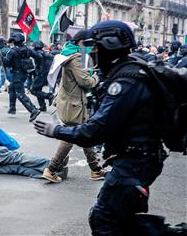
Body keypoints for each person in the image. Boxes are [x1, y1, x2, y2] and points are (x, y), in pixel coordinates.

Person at [34, 20, 186, 235]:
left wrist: (56, 131)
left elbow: (95, 131)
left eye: (95, 47)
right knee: (120, 222)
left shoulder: (126, 80)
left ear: (110, 45)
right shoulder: (127, 70)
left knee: (105, 221)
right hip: (137, 160)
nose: (92, 53)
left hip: (134, 163)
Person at [41, 30, 106, 183]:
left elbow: (88, 69)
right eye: (88, 43)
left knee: (84, 135)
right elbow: (86, 81)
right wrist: (98, 77)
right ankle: (51, 169)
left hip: (74, 103)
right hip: (73, 104)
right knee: (72, 137)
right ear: (81, 42)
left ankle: (96, 170)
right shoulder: (75, 58)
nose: (91, 46)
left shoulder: (76, 53)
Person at [3, 32, 41, 122]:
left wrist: (1, 57)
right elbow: (38, 56)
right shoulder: (27, 49)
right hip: (24, 73)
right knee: (12, 88)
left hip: (17, 74)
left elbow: (6, 62)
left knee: (20, 94)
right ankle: (12, 108)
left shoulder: (12, 51)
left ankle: (33, 110)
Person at [30, 40, 54, 112]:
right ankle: (42, 106)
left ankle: (48, 96)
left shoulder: (38, 53)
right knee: (38, 90)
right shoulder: (45, 53)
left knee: (33, 90)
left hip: (41, 74)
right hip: (44, 74)